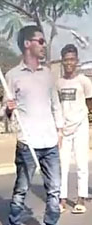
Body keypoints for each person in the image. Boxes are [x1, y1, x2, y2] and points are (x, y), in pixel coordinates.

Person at [1, 25, 68, 225]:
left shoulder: (48, 74)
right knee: (21, 189)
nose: (44, 45)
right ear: (27, 43)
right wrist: (9, 108)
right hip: (27, 142)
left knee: (55, 189)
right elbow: (5, 111)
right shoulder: (12, 76)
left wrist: (59, 131)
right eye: (40, 41)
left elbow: (55, 105)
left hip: (49, 141)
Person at [56, 44, 92, 214]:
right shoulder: (58, 83)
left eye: (72, 59)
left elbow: (90, 104)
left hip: (81, 126)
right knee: (62, 165)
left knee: (81, 163)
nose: (69, 63)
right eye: (66, 59)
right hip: (64, 129)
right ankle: (61, 199)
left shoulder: (84, 81)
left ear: (77, 61)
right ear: (62, 61)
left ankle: (81, 198)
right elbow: (55, 107)